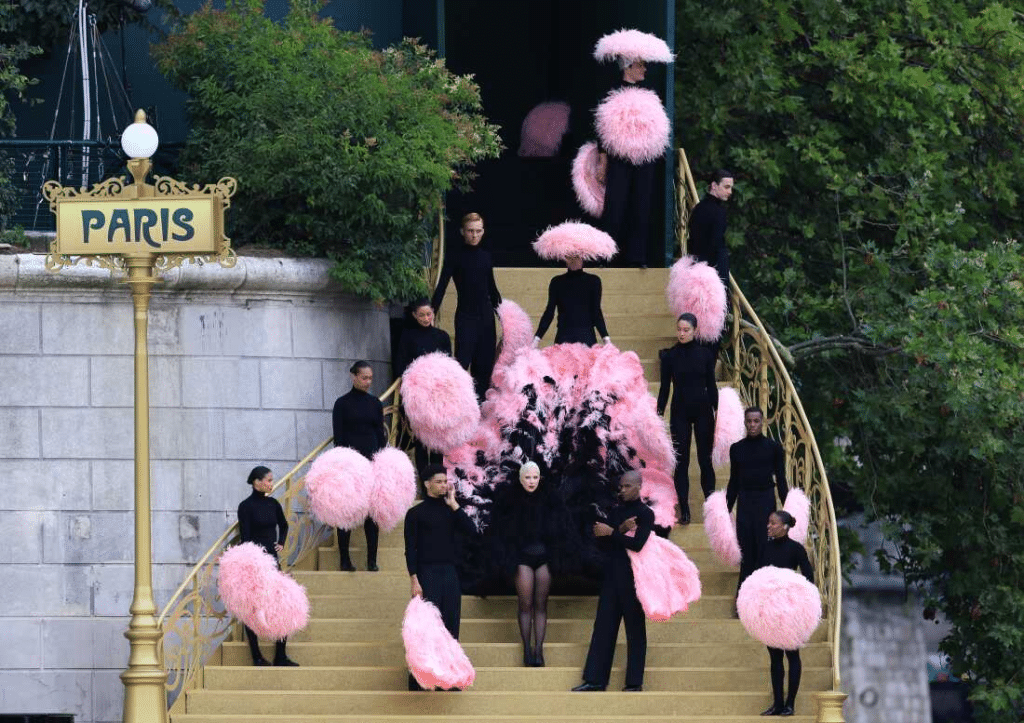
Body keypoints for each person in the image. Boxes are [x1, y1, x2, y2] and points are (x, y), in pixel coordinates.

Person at [572, 470, 653, 692]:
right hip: (611, 577)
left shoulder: (645, 514)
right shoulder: (616, 511)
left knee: (635, 630)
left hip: (633, 580)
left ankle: (634, 682)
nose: (622, 490)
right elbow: (602, 542)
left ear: (638, 487)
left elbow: (637, 545)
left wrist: (614, 533)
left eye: (627, 486)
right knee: (603, 627)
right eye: (621, 486)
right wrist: (619, 530)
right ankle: (595, 680)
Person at [403, 463, 478, 690]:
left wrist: (454, 504)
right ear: (427, 484)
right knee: (427, 627)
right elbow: (410, 549)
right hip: (427, 573)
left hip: (450, 572)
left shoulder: (451, 510)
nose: (445, 485)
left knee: (451, 623)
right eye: (439, 481)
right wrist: (414, 579)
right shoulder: (415, 514)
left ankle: (451, 675)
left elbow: (472, 533)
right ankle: (420, 677)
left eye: (446, 481)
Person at [431, 212, 503, 400]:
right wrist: (431, 312)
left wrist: (506, 318)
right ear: (463, 231)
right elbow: (442, 286)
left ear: (483, 232)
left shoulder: (486, 257)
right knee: (462, 365)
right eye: (470, 231)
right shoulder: (455, 256)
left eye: (478, 231)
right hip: (465, 317)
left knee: (485, 369)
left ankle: (480, 417)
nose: (474, 235)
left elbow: (492, 290)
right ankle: (462, 411)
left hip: (486, 319)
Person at [657, 313, 718, 525]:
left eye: (686, 330)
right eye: (679, 330)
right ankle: (684, 508)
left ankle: (711, 508)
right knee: (681, 461)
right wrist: (658, 414)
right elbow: (665, 389)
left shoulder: (705, 354)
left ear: (694, 331)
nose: (682, 333)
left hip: (703, 412)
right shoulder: (669, 356)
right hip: (679, 412)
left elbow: (712, 385)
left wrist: (717, 411)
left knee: (705, 460)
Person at [597, 58, 659, 268]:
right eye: (640, 65)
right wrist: (603, 162)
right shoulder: (612, 93)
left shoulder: (649, 94)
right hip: (620, 156)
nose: (644, 69)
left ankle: (637, 257)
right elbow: (603, 131)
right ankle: (606, 255)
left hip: (644, 156)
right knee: (615, 205)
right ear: (628, 67)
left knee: (641, 205)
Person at [237, 465, 298, 666]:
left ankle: (281, 655)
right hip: (255, 564)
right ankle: (257, 656)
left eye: (272, 480)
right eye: (269, 480)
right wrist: (252, 562)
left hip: (273, 562)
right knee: (252, 608)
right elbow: (245, 538)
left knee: (282, 605)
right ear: (256, 482)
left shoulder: (273, 504)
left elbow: (284, 524)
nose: (272, 484)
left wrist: (281, 542)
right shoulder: (245, 507)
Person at [497, 461, 556, 667]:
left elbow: (559, 528)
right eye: (528, 477)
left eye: (535, 477)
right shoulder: (510, 500)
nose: (532, 481)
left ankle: (539, 649)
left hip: (543, 557)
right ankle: (526, 649)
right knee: (525, 604)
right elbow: (502, 531)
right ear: (521, 479)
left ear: (540, 478)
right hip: (521, 558)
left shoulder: (549, 499)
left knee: (541, 605)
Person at [757, 510, 814, 717]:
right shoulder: (765, 547)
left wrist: (799, 600)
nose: (769, 526)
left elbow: (809, 576)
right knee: (774, 657)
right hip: (770, 606)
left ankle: (790, 703)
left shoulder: (796, 549)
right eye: (768, 523)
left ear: (785, 526)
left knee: (792, 654)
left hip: (790, 608)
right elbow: (758, 574)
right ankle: (778, 703)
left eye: (773, 523)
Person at [727, 407, 788, 596]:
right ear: (745, 423)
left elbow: (781, 479)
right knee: (746, 551)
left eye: (756, 421)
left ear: (763, 422)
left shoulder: (774, 447)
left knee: (764, 549)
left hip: (766, 501)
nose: (752, 425)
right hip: (745, 501)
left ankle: (764, 598)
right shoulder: (736, 449)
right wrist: (725, 509)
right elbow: (733, 481)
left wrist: (787, 510)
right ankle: (743, 601)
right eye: (749, 421)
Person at [332, 360, 386, 572]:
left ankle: (371, 560)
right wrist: (344, 464)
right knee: (346, 512)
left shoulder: (375, 403)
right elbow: (339, 437)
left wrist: (382, 461)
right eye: (364, 377)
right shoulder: (342, 404)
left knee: (371, 513)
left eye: (370, 378)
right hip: (350, 464)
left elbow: (380, 434)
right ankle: (344, 559)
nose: (367, 382)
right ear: (353, 376)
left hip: (372, 462)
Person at [395, 298, 452, 473]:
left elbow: (449, 364)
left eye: (428, 314)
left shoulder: (442, 336)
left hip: (438, 392)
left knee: (438, 439)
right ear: (414, 315)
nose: (426, 318)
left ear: (433, 312)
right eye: (421, 315)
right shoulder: (408, 336)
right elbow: (401, 366)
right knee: (420, 438)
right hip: (418, 393)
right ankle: (424, 481)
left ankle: (438, 481)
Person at [533, 254, 610, 347]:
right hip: (564, 337)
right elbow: (549, 312)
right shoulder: (557, 282)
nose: (573, 260)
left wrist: (606, 338)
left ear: (583, 258)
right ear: (565, 258)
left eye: (577, 257)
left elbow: (596, 311)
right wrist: (537, 339)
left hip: (587, 336)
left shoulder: (593, 281)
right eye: (569, 257)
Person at [688, 170, 734, 289]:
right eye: (726, 187)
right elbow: (715, 244)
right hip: (714, 272)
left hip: (697, 268)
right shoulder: (718, 212)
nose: (730, 192)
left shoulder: (698, 208)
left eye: (731, 188)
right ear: (714, 186)